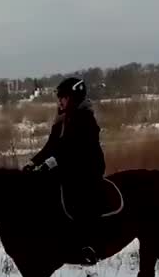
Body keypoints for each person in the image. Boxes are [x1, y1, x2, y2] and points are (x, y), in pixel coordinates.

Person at [22, 76, 106, 264]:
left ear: (74, 98)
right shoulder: (61, 119)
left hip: (87, 167)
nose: (60, 101)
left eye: (64, 98)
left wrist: (50, 164)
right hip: (66, 164)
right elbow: (51, 146)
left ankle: (88, 244)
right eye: (59, 98)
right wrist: (33, 162)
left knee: (76, 196)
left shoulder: (85, 119)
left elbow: (73, 149)